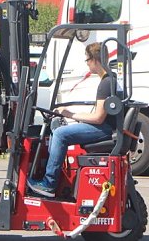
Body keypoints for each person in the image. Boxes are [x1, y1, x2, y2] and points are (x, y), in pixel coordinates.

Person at [27, 42, 117, 198]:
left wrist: (70, 115)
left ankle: (49, 183)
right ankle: (56, 176)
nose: (87, 64)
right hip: (108, 126)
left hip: (105, 128)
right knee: (58, 130)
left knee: (61, 134)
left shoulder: (106, 83)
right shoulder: (112, 79)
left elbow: (98, 117)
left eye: (87, 60)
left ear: (95, 60)